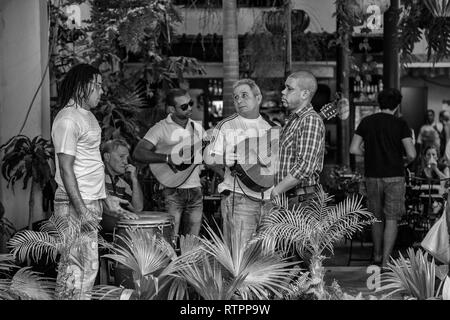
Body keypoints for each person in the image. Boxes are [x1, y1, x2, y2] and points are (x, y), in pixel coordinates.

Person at [51, 63, 133, 300]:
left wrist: (104, 198)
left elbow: (89, 165)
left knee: (87, 269)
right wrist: (81, 209)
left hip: (88, 201)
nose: (101, 90)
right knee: (74, 271)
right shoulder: (68, 119)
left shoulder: (87, 117)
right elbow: (66, 169)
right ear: (81, 86)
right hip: (75, 204)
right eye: (97, 85)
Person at [350, 88, 416, 268]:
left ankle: (377, 256)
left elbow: (353, 149)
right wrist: (400, 160)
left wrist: (369, 153)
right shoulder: (400, 124)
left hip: (372, 176)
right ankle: (386, 262)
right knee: (392, 219)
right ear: (397, 105)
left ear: (379, 103)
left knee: (376, 218)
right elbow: (411, 154)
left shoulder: (367, 122)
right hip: (395, 176)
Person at [204, 78, 274, 246]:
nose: (239, 100)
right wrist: (223, 159)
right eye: (236, 97)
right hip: (240, 200)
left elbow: (273, 166)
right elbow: (208, 157)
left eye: (244, 95)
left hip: (269, 202)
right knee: (239, 259)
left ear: (258, 98)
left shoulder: (271, 127)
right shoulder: (226, 126)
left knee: (266, 259)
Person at [133, 88, 204, 238]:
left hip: (195, 190)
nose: (190, 108)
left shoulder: (197, 128)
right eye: (184, 106)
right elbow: (138, 153)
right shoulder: (160, 128)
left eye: (190, 103)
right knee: (169, 239)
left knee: (192, 242)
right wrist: (167, 158)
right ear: (171, 109)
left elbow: (206, 155)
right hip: (171, 190)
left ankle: (188, 263)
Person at [271, 71, 325, 207]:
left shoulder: (310, 120)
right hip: (290, 198)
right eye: (285, 87)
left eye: (289, 88)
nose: (283, 92)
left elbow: (305, 166)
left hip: (300, 201)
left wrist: (276, 191)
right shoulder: (294, 120)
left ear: (305, 94)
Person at [100, 139, 142, 242]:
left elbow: (138, 208)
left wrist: (134, 180)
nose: (125, 162)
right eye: (121, 157)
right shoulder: (96, 178)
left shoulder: (123, 184)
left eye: (127, 158)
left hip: (115, 237)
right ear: (107, 157)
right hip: (97, 236)